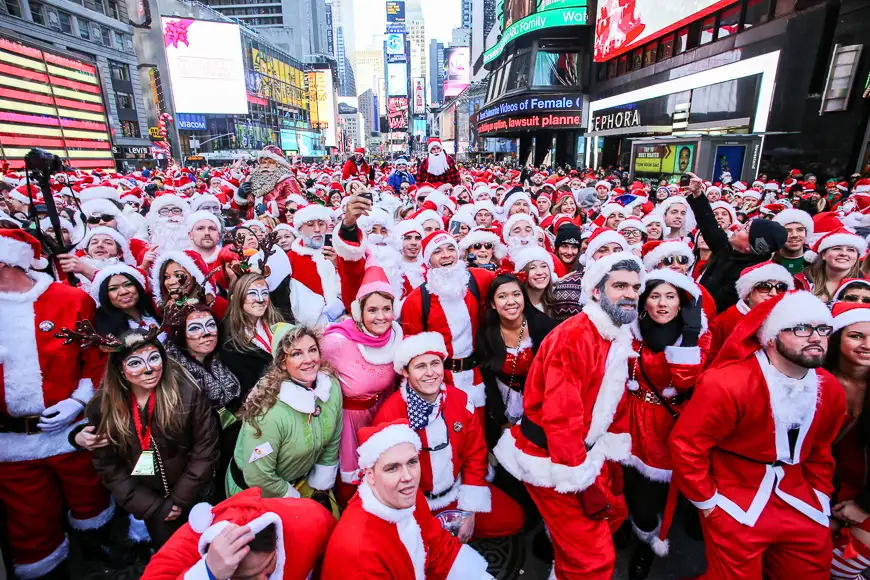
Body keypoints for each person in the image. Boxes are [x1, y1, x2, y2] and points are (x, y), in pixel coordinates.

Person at [670, 291, 845, 580]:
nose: (815, 337)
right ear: (772, 338)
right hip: (734, 498)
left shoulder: (830, 387)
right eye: (801, 328)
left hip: (800, 497)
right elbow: (688, 445)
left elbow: (821, 448)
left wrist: (819, 493)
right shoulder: (727, 383)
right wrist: (709, 503)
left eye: (823, 329)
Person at [494, 253, 644, 579]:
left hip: (585, 450)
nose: (631, 294)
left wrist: (613, 459)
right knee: (593, 560)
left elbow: (610, 403)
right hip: (553, 459)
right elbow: (562, 418)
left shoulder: (616, 335)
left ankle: (563, 562)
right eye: (619, 286)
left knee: (614, 513)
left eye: (635, 286)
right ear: (595, 291)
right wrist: (581, 482)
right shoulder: (575, 338)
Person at [0, 229, 117, 579]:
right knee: (28, 518)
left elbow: (95, 360)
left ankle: (99, 551)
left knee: (90, 498)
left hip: (71, 429)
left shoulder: (69, 300)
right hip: (12, 443)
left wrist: (76, 402)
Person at [375, 332, 526, 539]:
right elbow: (386, 476)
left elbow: (475, 453)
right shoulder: (391, 412)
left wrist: (469, 510)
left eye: (435, 364)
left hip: (456, 493)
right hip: (415, 505)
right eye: (420, 366)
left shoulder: (459, 400)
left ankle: (458, 535)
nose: (430, 373)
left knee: (514, 518)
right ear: (405, 372)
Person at [86, 326, 220, 548]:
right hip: (152, 507)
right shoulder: (103, 408)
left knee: (210, 549)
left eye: (154, 358)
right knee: (173, 556)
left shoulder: (187, 393)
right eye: (135, 362)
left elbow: (206, 448)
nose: (148, 369)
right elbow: (108, 467)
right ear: (120, 369)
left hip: (196, 495)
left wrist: (178, 499)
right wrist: (152, 506)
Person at [619, 269, 709, 579]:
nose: (661, 304)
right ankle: (636, 534)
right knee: (628, 488)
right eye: (655, 296)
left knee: (656, 497)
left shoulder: (696, 334)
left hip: (668, 426)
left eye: (670, 296)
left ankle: (647, 539)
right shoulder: (631, 331)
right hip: (629, 420)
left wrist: (691, 335)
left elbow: (686, 382)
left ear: (681, 302)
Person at [321, 419, 493, 580]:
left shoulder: (407, 494)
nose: (407, 476)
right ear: (370, 476)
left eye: (412, 462)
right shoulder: (359, 552)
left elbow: (438, 545)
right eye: (392, 468)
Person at [227, 323, 342, 518]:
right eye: (297, 354)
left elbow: (333, 438)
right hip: (259, 493)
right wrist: (294, 499)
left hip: (303, 483)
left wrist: (320, 484)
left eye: (312, 350)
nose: (308, 360)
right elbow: (258, 475)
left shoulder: (330, 389)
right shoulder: (268, 410)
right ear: (282, 362)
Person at [320, 266, 402, 502]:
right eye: (372, 310)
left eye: (386, 309)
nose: (381, 316)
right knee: (352, 481)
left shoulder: (396, 336)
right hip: (348, 422)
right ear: (359, 312)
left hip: (382, 416)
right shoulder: (336, 341)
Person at [140, 487, 336, 580]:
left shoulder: (310, 520)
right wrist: (207, 573)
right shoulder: (187, 545)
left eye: (268, 567)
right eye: (247, 578)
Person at [401, 231, 496, 418]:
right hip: (441, 380)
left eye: (451, 248)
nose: (446, 255)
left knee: (478, 432)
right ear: (428, 261)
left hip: (477, 374)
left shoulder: (478, 279)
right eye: (437, 251)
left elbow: (509, 288)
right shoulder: (416, 300)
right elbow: (411, 350)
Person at [477, 272, 558, 450]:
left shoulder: (545, 327)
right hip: (504, 401)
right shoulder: (486, 333)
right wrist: (501, 419)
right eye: (502, 296)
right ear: (492, 304)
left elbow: (557, 377)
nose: (511, 301)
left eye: (516, 294)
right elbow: (488, 379)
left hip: (542, 402)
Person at [164, 303, 242, 489]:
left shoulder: (217, 357)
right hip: (196, 458)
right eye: (195, 328)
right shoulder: (174, 373)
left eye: (210, 325)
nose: (206, 333)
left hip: (227, 444)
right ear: (181, 334)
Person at [685, 173, 787, 312]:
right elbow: (709, 226)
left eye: (745, 229)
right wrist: (698, 194)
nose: (738, 226)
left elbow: (712, 304)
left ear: (751, 247)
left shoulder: (747, 276)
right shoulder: (729, 250)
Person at [824, 303, 870, 577]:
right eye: (856, 336)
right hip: (816, 491)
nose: (867, 345)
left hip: (865, 494)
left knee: (842, 566)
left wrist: (864, 505)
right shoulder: (811, 380)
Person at [706, 261, 794, 367]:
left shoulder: (791, 321)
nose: (773, 293)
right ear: (748, 293)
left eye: (780, 287)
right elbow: (709, 362)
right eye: (765, 286)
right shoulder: (723, 321)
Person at [220, 271, 284, 400]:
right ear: (237, 297)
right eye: (252, 293)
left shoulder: (281, 323)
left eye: (264, 293)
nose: (260, 300)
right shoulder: (229, 342)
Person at [149, 249, 228, 319]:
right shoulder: (163, 311)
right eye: (166, 277)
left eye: (178, 275)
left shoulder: (219, 306)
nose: (171, 282)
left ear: (195, 279)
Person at [795, 229, 867, 303]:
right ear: (823, 255)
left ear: (857, 257)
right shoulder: (798, 282)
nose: (844, 253)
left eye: (851, 250)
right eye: (837, 249)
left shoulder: (867, 284)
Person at [90, 263, 160, 339]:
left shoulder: (155, 310)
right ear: (105, 296)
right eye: (113, 289)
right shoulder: (106, 330)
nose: (123, 292)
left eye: (128, 285)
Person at [236, 146, 302, 220]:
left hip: (277, 225)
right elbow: (241, 209)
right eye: (263, 162)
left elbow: (296, 202)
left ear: (279, 165)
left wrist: (270, 207)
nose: (266, 165)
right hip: (254, 226)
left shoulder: (288, 180)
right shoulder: (251, 180)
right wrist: (241, 196)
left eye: (271, 162)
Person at [514, 247, 558, 318]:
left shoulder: (558, 300)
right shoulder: (515, 304)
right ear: (522, 273)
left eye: (543, 266)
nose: (539, 272)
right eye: (532, 268)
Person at [771, 208, 813, 275]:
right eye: (787, 231)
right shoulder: (767, 262)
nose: (794, 235)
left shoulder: (817, 262)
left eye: (800, 230)